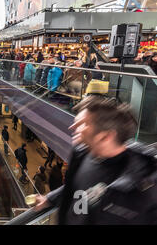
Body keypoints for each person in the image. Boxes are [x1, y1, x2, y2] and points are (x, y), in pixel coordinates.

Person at [33, 96, 157, 224]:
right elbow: (76, 188)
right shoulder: (82, 155)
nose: (72, 127)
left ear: (106, 137)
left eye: (82, 124)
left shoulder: (140, 188)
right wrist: (50, 198)